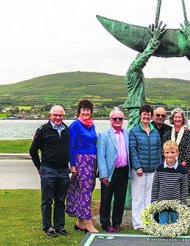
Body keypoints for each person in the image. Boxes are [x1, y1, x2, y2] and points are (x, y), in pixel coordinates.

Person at [29, 105, 70, 237]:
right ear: (50, 115)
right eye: (55, 115)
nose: (58, 118)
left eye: (60, 115)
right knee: (47, 200)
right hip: (48, 170)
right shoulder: (42, 130)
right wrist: (38, 166)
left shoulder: (67, 130)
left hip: (63, 170)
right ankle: (48, 227)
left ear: (63, 116)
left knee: (60, 200)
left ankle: (59, 226)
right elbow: (33, 150)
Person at [123, 23, 165, 128]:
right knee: (133, 130)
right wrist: (154, 40)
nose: (144, 64)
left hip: (139, 106)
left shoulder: (137, 71)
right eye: (143, 62)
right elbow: (144, 57)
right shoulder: (133, 69)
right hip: (135, 106)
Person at [66, 99, 99, 233]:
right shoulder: (75, 125)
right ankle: (88, 223)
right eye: (83, 109)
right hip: (81, 161)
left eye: (88, 110)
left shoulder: (92, 125)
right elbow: (71, 146)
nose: (86, 112)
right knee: (85, 193)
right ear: (79, 111)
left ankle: (79, 223)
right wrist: (73, 165)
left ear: (91, 112)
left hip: (92, 161)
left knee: (87, 190)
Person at [129, 104, 162, 230]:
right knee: (138, 197)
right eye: (144, 114)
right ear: (140, 115)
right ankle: (138, 224)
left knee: (149, 197)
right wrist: (137, 166)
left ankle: (147, 222)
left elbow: (159, 149)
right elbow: (133, 150)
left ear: (151, 116)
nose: (146, 116)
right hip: (139, 171)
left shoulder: (154, 132)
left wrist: (158, 166)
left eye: (148, 114)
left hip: (153, 169)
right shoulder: (134, 131)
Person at [97, 108, 130, 233]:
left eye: (120, 118)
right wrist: (103, 174)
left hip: (123, 170)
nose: (117, 120)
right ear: (110, 120)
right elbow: (101, 155)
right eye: (115, 118)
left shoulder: (127, 133)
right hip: (110, 172)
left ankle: (117, 223)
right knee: (106, 198)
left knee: (120, 198)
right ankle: (105, 224)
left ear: (123, 120)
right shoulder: (104, 135)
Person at [151, 140, 188, 224]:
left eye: (172, 152)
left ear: (177, 153)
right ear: (164, 153)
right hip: (162, 203)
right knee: (163, 223)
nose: (169, 155)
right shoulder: (159, 168)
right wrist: (154, 202)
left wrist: (182, 203)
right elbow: (155, 186)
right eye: (167, 152)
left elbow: (184, 188)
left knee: (176, 224)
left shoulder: (182, 169)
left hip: (176, 203)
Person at [162, 107, 190, 195]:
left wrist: (183, 163)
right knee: (171, 193)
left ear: (183, 119)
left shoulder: (188, 133)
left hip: (184, 167)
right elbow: (163, 149)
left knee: (185, 195)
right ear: (172, 119)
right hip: (169, 167)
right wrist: (169, 163)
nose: (177, 119)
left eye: (180, 117)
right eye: (175, 117)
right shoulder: (167, 133)